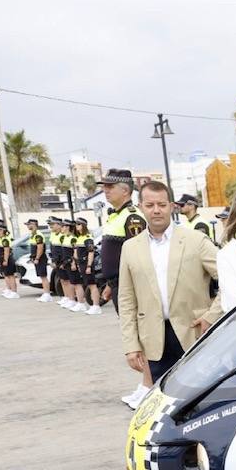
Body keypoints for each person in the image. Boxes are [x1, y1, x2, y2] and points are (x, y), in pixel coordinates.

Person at [118, 181, 220, 397]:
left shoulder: (196, 240)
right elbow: (127, 300)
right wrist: (131, 344)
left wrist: (212, 316)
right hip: (154, 338)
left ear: (172, 206)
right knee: (162, 401)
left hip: (194, 333)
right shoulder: (130, 248)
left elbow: (228, 280)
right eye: (150, 204)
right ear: (141, 206)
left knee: (199, 399)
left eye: (162, 204)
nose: (156, 210)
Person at [98, 169, 148, 406]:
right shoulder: (114, 216)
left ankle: (149, 386)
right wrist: (110, 285)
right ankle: (146, 384)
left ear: (126, 190)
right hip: (118, 285)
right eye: (104, 186)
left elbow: (138, 255)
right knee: (135, 337)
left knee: (143, 337)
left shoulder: (133, 217)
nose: (105, 190)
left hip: (132, 287)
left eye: (110, 187)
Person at [73, 218, 99, 315]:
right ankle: (90, 306)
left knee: (92, 285)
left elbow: (91, 253)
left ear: (83, 225)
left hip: (87, 264)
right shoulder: (79, 237)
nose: (77, 226)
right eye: (76, 225)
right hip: (82, 264)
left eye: (79, 224)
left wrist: (89, 266)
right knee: (88, 284)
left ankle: (96, 306)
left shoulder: (88, 237)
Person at [25, 219, 51, 302]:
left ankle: (47, 294)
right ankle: (45, 293)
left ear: (34, 224)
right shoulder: (33, 235)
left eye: (29, 224)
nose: (28, 226)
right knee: (41, 276)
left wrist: (37, 258)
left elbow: (40, 248)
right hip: (37, 258)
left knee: (43, 276)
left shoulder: (38, 235)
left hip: (41, 258)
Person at [0, 220, 19, 298]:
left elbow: (6, 250)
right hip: (2, 259)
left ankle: (14, 292)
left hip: (7, 259)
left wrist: (5, 260)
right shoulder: (0, 239)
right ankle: (10, 290)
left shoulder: (5, 239)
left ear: (2, 230)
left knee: (10, 276)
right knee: (6, 275)